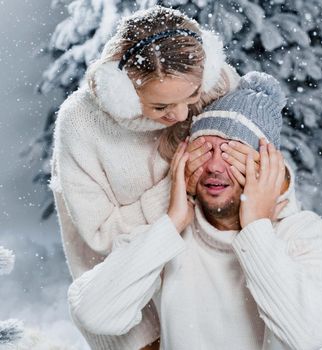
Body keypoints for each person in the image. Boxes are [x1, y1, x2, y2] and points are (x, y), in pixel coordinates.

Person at [67, 72, 322, 350]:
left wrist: (256, 228)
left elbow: (310, 333)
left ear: (266, 167)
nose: (213, 166)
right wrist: (171, 222)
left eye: (231, 153)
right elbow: (94, 314)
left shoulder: (306, 233)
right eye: (204, 151)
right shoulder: (170, 235)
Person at [50, 6, 242, 349]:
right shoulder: (80, 124)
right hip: (131, 303)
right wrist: (176, 190)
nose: (180, 114)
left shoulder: (218, 86)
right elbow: (100, 235)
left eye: (191, 98)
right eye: (160, 107)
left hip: (211, 290)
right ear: (120, 90)